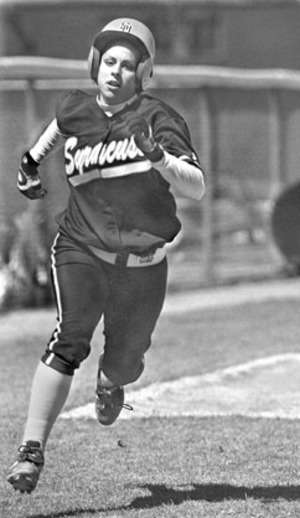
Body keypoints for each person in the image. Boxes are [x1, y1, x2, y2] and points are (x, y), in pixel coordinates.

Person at [7, 18, 205, 494]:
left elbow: (196, 187)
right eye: (109, 61)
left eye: (128, 65)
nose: (115, 71)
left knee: (126, 360)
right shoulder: (77, 107)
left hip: (142, 265)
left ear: (144, 74)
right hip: (81, 248)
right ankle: (30, 451)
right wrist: (30, 165)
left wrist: (159, 158)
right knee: (69, 338)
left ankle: (113, 380)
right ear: (95, 65)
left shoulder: (160, 119)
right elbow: (53, 134)